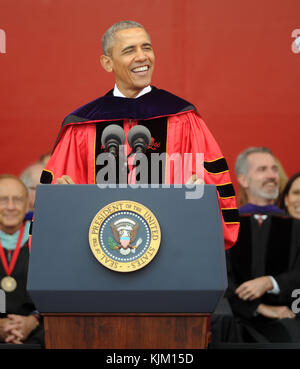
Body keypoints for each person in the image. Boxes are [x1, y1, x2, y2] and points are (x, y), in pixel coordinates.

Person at [40, 20, 239, 250]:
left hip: (172, 252)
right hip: (100, 256)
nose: (142, 57)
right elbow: (59, 199)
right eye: (129, 50)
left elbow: (213, 190)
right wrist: (62, 195)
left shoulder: (182, 118)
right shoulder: (83, 126)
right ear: (107, 63)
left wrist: (203, 194)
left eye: (147, 47)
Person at [226, 147, 300, 342]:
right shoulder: (227, 226)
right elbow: (220, 276)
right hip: (235, 319)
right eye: (262, 169)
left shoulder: (294, 226)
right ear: (243, 179)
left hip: (285, 315)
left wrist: (270, 282)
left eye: (274, 169)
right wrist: (257, 308)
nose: (272, 175)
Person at [0, 174, 44, 345]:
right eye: (3, 200)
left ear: (27, 205)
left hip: (36, 333)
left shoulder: (41, 241)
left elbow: (56, 296)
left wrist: (32, 321)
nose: (11, 207)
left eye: (17, 200)